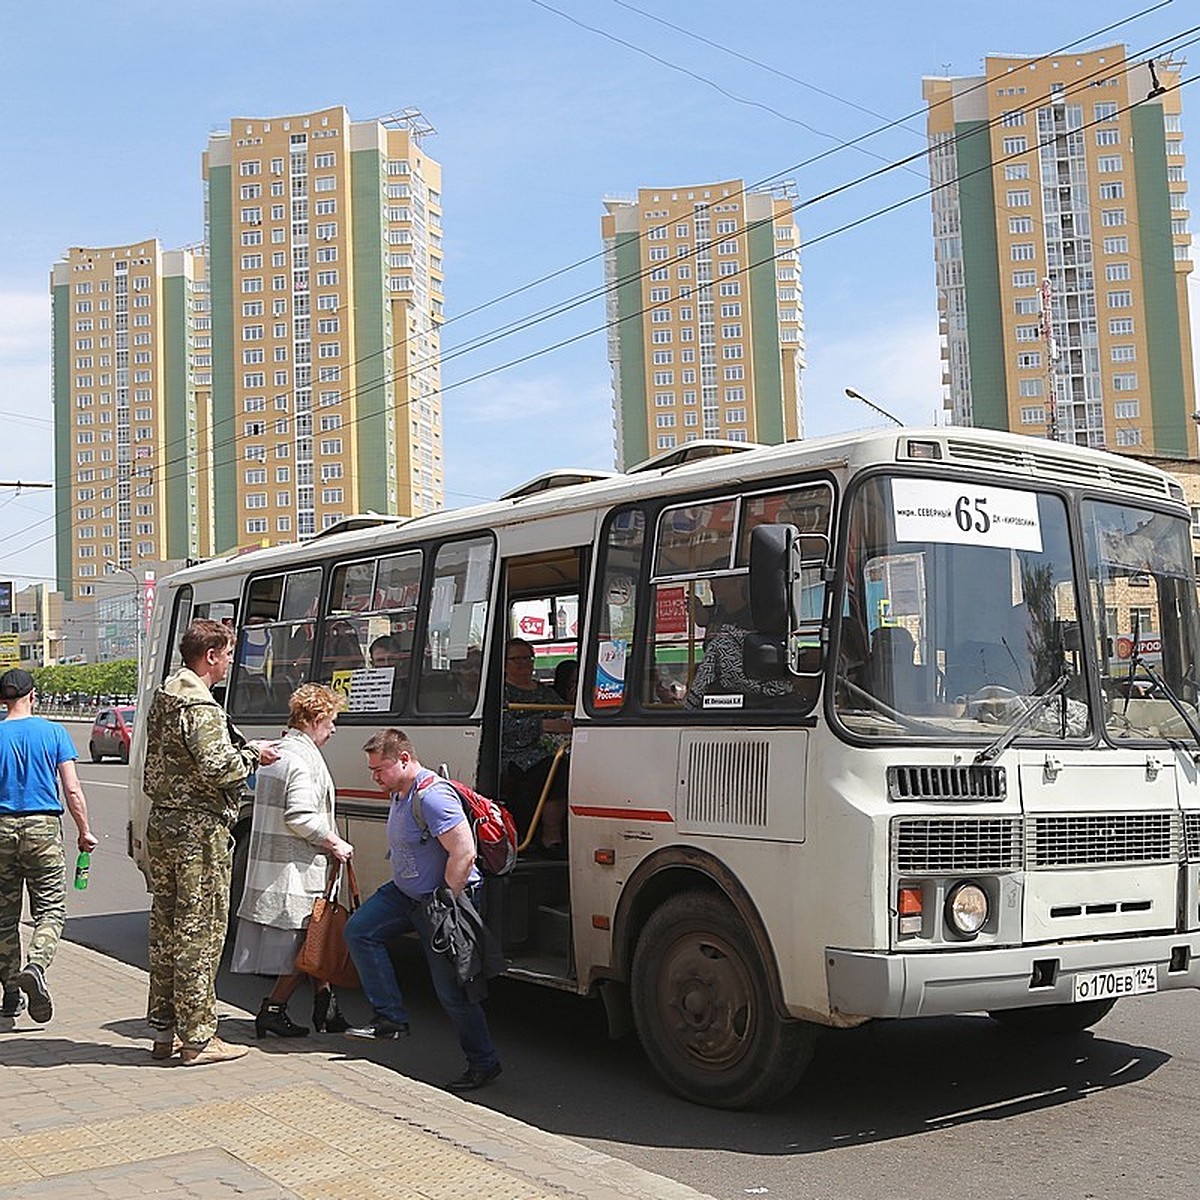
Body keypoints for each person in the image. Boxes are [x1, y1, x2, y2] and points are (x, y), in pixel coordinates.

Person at [142, 618, 280, 1067]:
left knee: (166, 929)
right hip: (197, 830)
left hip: (164, 823)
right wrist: (253, 754)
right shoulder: (198, 707)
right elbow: (221, 768)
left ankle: (164, 1033)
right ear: (210, 656)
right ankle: (199, 1039)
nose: (230, 663)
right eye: (227, 654)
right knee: (199, 932)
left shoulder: (166, 697)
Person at [344, 729, 503, 1092]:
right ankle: (390, 1019)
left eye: (379, 769)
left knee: (452, 991)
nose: (375, 777)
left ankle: (484, 1062)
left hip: (439, 901)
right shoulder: (401, 792)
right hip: (404, 895)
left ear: (404, 760)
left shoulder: (433, 797)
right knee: (359, 930)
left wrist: (446, 901)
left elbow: (464, 853)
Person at [231, 684, 354, 1038]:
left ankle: (326, 1007)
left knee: (316, 936)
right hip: (296, 868)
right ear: (316, 719)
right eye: (331, 721)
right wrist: (334, 842)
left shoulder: (279, 751)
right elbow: (300, 816)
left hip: (277, 865)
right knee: (306, 944)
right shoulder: (302, 761)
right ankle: (273, 1009)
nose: (333, 729)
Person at [0, 668, 97, 1024]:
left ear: (2, 700)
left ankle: (10, 996)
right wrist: (84, 830)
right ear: (33, 695)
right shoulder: (54, 732)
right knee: (51, 911)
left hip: (1, 831)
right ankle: (37, 966)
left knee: (3, 919)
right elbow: (71, 789)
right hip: (43, 830)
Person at [500, 638, 570, 856]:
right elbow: (503, 728)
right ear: (504, 664)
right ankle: (551, 835)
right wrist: (542, 724)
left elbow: (563, 714)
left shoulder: (545, 692)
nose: (523, 664)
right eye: (516, 659)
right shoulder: (502, 693)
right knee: (554, 768)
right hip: (515, 753)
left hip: (553, 747)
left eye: (527, 658)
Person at [685, 575, 792, 709]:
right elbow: (703, 620)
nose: (712, 585)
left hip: (749, 688)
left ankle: (691, 702)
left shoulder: (756, 616)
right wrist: (697, 608)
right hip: (717, 691)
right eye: (710, 581)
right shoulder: (718, 611)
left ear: (738, 581)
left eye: (718, 579)